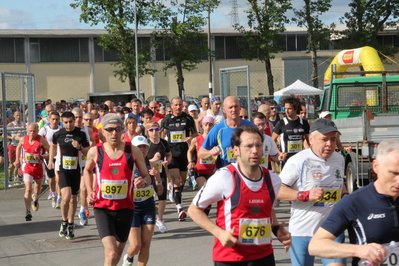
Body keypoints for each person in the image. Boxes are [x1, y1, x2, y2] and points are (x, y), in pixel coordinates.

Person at [188, 125, 291, 266]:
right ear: (236, 150)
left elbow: (268, 210)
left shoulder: (273, 179)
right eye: (248, 146)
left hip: (264, 256)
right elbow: (194, 210)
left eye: (258, 145)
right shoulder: (224, 177)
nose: (254, 151)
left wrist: (276, 229)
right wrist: (219, 233)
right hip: (231, 258)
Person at [308, 139, 399, 266]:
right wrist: (358, 250)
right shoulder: (355, 202)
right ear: (376, 166)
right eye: (394, 173)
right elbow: (316, 245)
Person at [278, 118, 347, 266]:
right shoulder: (298, 160)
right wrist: (305, 195)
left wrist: (346, 196)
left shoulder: (339, 159)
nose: (329, 144)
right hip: (303, 232)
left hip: (331, 231)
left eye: (333, 139)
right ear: (311, 139)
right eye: (324, 139)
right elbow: (277, 190)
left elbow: (339, 183)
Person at [84, 114, 150, 266]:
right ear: (103, 132)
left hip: (125, 208)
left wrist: (143, 181)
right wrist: (90, 191)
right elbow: (87, 170)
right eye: (110, 129)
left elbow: (147, 177)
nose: (114, 133)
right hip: (103, 208)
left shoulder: (132, 151)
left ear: (122, 130)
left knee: (116, 254)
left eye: (118, 129)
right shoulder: (95, 152)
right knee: (112, 251)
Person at [47, 112, 90, 240]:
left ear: (74, 120)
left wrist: (80, 147)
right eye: (66, 122)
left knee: (73, 199)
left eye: (71, 121)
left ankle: (71, 224)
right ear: (62, 122)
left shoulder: (81, 134)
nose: (69, 124)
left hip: (76, 170)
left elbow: (88, 152)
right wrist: (50, 160)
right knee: (65, 197)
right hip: (62, 169)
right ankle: (64, 221)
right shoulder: (58, 134)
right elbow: (53, 146)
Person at [122, 136, 163, 266]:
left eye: (144, 146)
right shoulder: (127, 165)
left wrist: (157, 178)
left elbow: (160, 192)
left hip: (148, 208)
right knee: (135, 246)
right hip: (132, 209)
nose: (142, 149)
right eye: (139, 147)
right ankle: (128, 257)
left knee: (146, 245)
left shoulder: (152, 165)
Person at [160, 96, 197, 221]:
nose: (178, 107)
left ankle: (174, 192)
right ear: (171, 106)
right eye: (175, 105)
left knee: (181, 181)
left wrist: (191, 138)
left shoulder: (188, 118)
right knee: (176, 179)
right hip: (172, 154)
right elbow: (161, 135)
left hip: (184, 153)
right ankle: (180, 208)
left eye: (180, 104)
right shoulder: (166, 120)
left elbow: (196, 133)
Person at [198, 96, 254, 167]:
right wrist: (210, 152)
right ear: (224, 110)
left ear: (240, 107)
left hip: (248, 170)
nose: (234, 110)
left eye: (236, 106)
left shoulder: (251, 127)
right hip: (227, 172)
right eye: (230, 107)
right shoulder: (218, 129)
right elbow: (201, 153)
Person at [14, 123, 50, 221]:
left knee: (37, 189)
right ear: (27, 131)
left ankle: (36, 198)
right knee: (28, 189)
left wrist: (42, 156)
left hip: (38, 167)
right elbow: (18, 147)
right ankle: (27, 211)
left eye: (34, 131)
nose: (32, 133)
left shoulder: (41, 140)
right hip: (27, 167)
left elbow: (51, 152)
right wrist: (17, 159)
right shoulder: (23, 139)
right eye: (30, 131)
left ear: (37, 131)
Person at [145, 121, 172, 233]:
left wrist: (167, 161)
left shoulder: (163, 143)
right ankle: (147, 220)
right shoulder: (146, 144)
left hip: (161, 173)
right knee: (149, 197)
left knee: (162, 197)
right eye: (151, 130)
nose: (154, 132)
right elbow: (141, 160)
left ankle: (160, 219)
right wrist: (153, 160)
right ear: (147, 132)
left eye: (156, 129)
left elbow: (169, 154)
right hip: (148, 173)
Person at [187, 116, 216, 214]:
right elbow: (190, 151)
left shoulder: (216, 139)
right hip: (199, 171)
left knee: (210, 194)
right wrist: (191, 162)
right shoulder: (196, 139)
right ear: (202, 126)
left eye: (210, 125)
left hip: (212, 171)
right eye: (206, 125)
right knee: (206, 190)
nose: (208, 127)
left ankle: (204, 215)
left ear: (213, 126)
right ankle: (199, 212)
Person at [272, 95, 310, 169]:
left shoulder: (304, 123)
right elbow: (272, 140)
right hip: (286, 160)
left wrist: (308, 153)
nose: (286, 111)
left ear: (296, 109)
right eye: (285, 108)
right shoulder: (281, 123)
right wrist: (279, 153)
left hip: (300, 158)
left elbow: (307, 140)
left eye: (289, 108)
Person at [72, 107, 95, 226]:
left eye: (80, 117)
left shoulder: (88, 130)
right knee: (72, 193)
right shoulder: (69, 130)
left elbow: (95, 140)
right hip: (71, 164)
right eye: (76, 117)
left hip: (84, 163)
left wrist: (92, 150)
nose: (78, 119)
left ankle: (83, 210)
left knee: (84, 188)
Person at [38, 111, 63, 208]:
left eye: (57, 119)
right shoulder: (44, 130)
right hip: (49, 156)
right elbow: (38, 142)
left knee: (59, 178)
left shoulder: (61, 129)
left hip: (60, 156)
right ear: (49, 119)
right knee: (52, 179)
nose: (55, 121)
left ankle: (59, 198)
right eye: (53, 119)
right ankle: (53, 193)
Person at [7, 110, 25, 181]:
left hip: (21, 146)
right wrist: (12, 137)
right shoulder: (11, 124)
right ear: (14, 116)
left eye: (19, 115)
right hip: (13, 145)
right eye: (17, 115)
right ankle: (9, 178)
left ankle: (16, 178)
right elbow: (3, 134)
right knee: (11, 163)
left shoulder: (23, 124)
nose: (18, 117)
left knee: (19, 163)